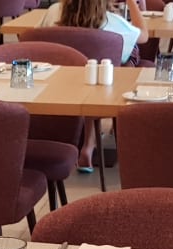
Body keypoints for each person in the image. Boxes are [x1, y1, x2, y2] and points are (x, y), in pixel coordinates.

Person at [39, 0, 148, 171]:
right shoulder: (112, 21)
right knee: (113, 65)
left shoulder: (53, 11)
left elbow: (39, 37)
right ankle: (89, 145)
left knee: (88, 76)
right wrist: (132, 3)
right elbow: (144, 36)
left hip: (58, 82)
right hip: (100, 86)